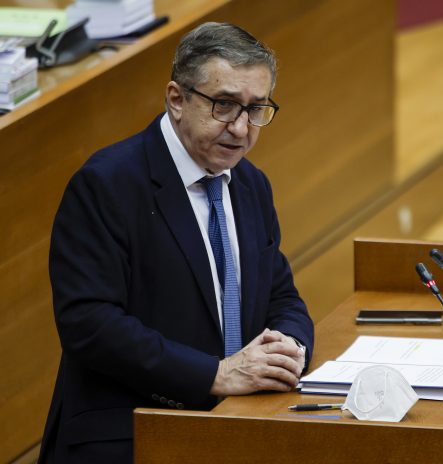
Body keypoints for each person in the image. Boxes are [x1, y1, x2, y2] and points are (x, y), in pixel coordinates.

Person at [38, 22, 314, 463]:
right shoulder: (107, 184)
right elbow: (88, 324)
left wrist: (290, 348)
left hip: (238, 422)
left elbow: (280, 294)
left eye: (255, 108)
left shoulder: (250, 184)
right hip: (131, 430)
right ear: (177, 99)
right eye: (225, 105)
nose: (241, 128)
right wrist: (214, 374)